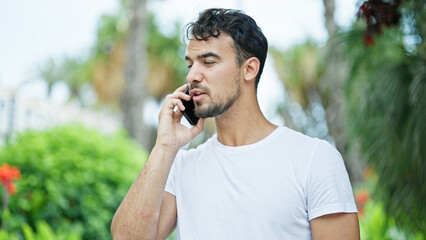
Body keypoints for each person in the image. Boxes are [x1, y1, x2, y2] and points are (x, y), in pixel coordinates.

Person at [111, 8, 360, 240]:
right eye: (190, 63)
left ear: (249, 69)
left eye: (208, 62)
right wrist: (165, 146)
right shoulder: (182, 166)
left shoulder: (314, 159)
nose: (192, 76)